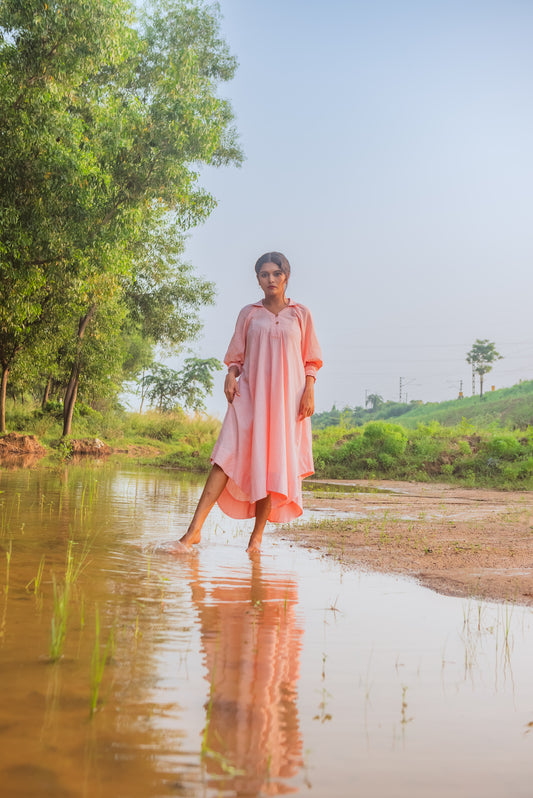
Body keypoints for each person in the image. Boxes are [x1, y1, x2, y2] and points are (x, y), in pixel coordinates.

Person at [174, 251, 322, 554]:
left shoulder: (301, 315)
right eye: (264, 274)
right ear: (257, 279)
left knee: (274, 463)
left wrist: (309, 389)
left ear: (287, 276)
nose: (271, 279)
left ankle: (255, 541)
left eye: (276, 274)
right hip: (250, 395)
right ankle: (193, 532)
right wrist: (230, 374)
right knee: (224, 457)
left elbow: (311, 360)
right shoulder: (249, 313)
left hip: (286, 401)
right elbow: (236, 355)